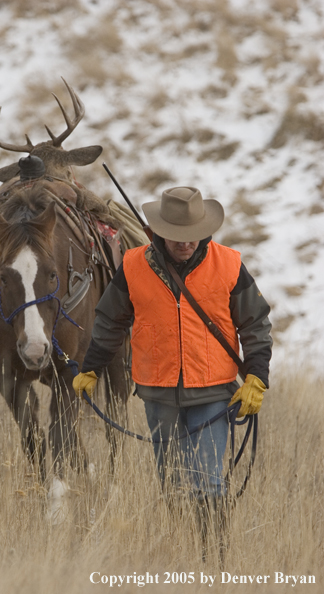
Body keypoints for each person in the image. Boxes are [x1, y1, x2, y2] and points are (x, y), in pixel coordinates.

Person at [73, 186, 272, 532]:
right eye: (176, 236)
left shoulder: (229, 264)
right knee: (172, 484)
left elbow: (255, 324)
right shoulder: (134, 266)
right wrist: (91, 368)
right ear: (159, 232)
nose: (185, 243)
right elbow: (109, 321)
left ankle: (214, 560)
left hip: (212, 394)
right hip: (157, 394)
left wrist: (257, 376)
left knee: (206, 482)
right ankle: (182, 552)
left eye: (191, 236)